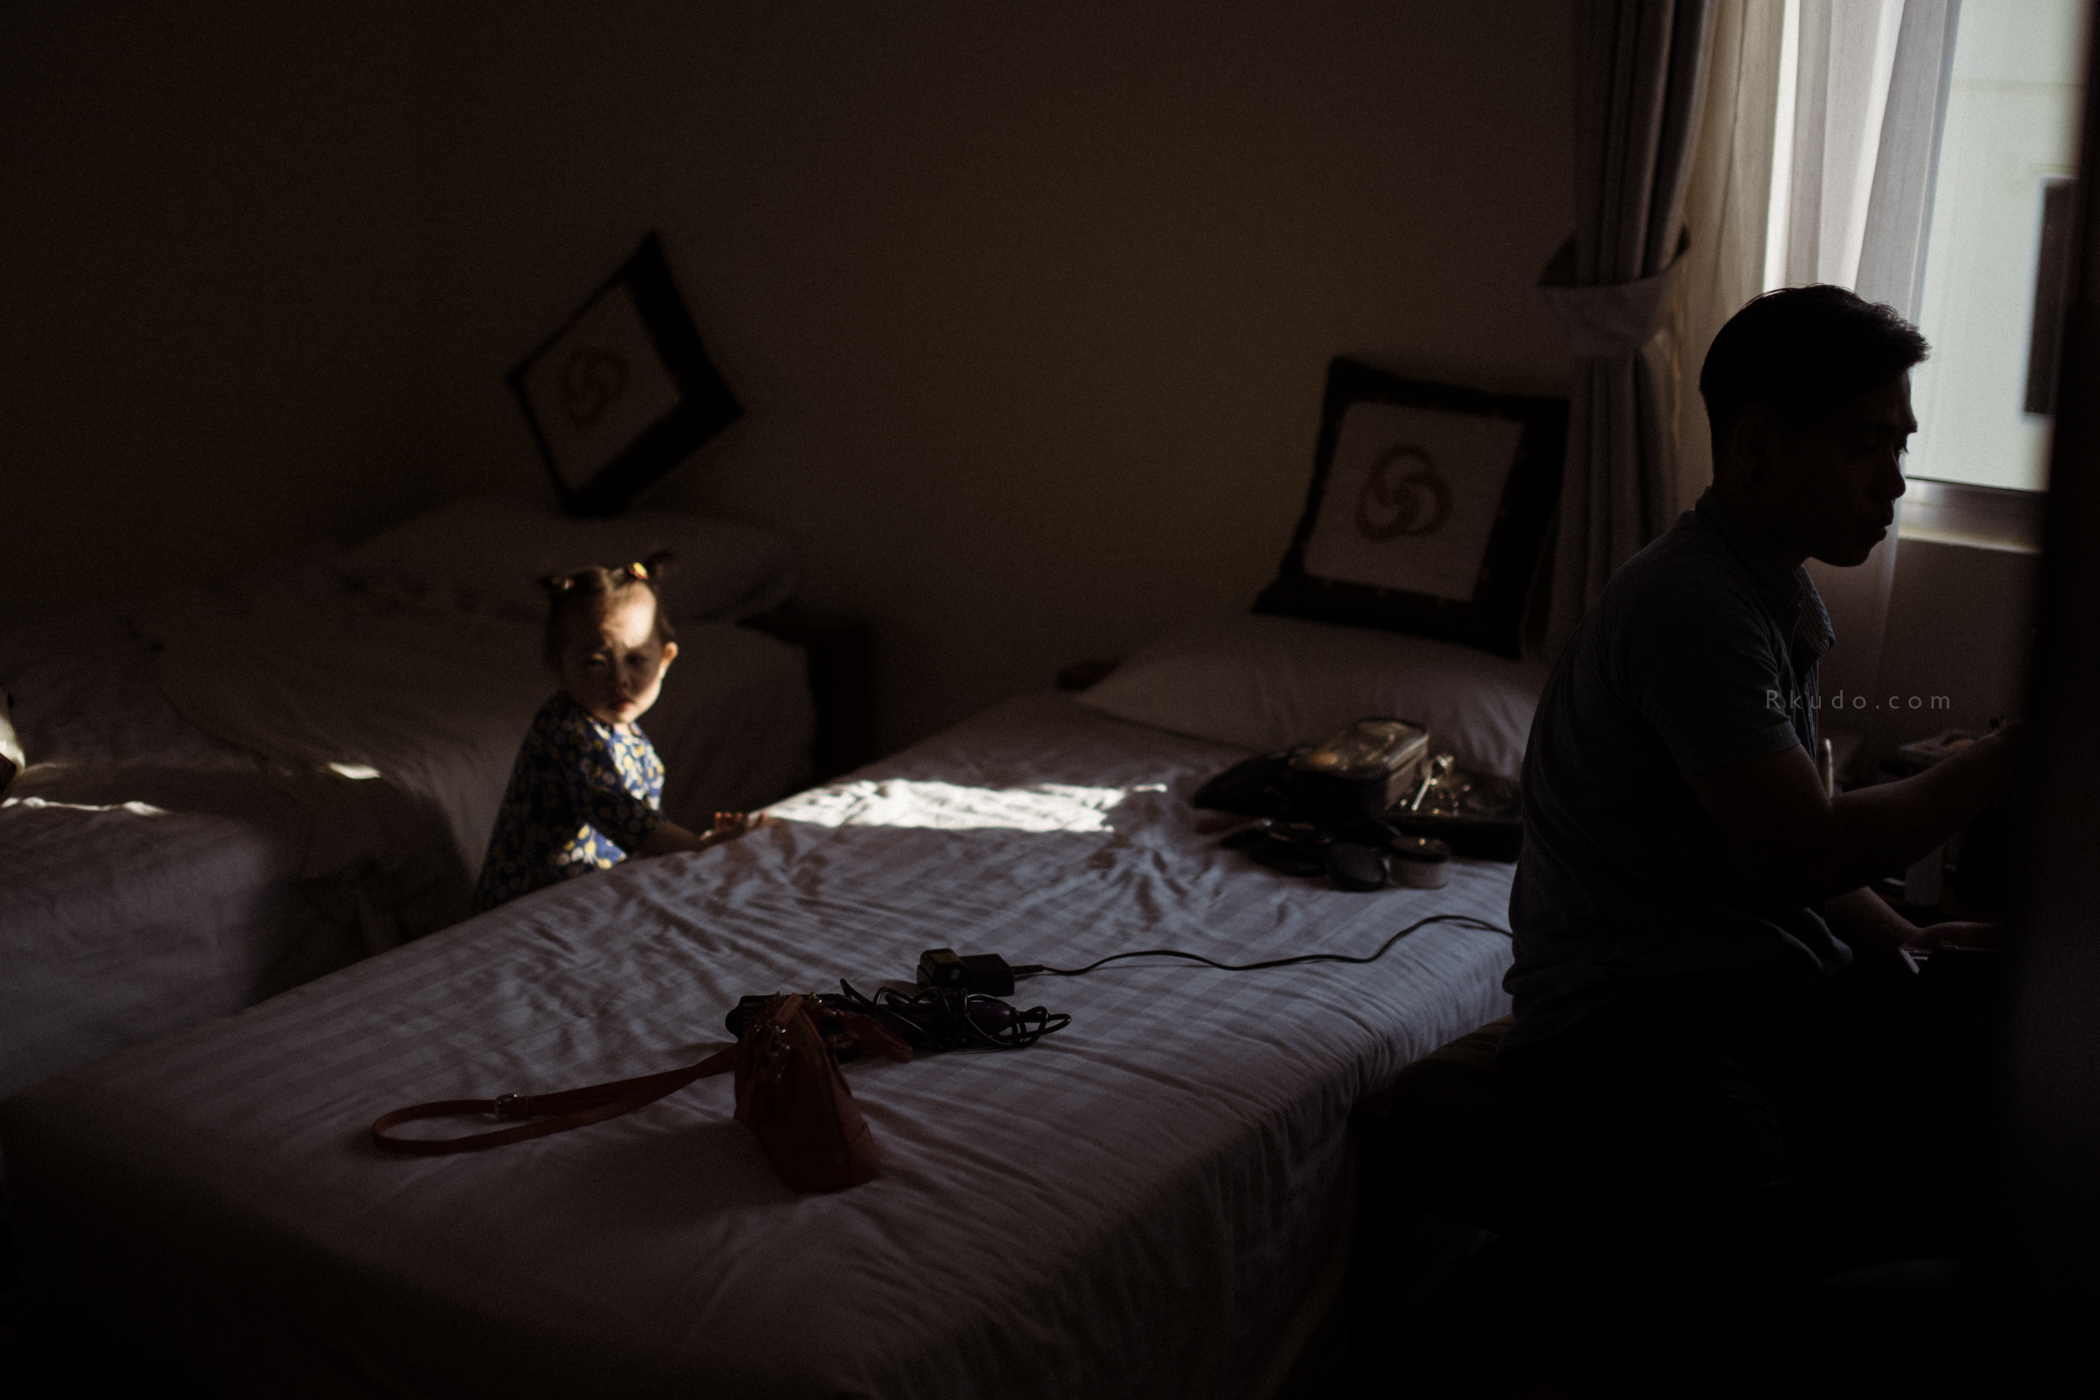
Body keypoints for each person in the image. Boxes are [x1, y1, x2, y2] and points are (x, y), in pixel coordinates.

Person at [1499, 285, 2021, 1394]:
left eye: (1900, 446)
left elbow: (1772, 844)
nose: (1892, 482)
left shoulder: (1767, 594)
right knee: (1774, 1261)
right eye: (1864, 446)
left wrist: (1911, 940)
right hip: (1629, 1020)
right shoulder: (1690, 607)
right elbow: (1802, 849)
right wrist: (1996, 761)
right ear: (1754, 449)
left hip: (1750, 983)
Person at [472, 555, 764, 914]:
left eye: (636, 660)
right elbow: (629, 819)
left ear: (665, 660)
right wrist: (700, 846)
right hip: (529, 907)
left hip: (587, 896)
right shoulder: (567, 732)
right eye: (595, 662)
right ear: (557, 664)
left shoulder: (625, 732)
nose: (619, 680)